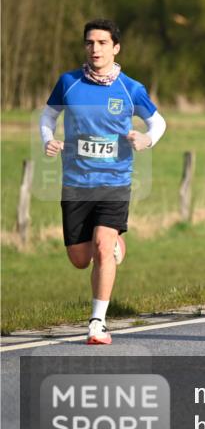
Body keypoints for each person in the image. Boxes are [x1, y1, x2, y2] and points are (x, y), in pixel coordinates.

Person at [39, 19, 166, 345]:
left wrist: (146, 139)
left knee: (101, 246)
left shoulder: (130, 88)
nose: (95, 49)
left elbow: (158, 122)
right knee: (81, 259)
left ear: (115, 47)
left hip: (114, 180)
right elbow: (48, 115)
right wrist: (47, 139)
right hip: (75, 182)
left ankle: (97, 323)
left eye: (102, 43)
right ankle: (116, 246)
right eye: (90, 43)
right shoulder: (68, 82)